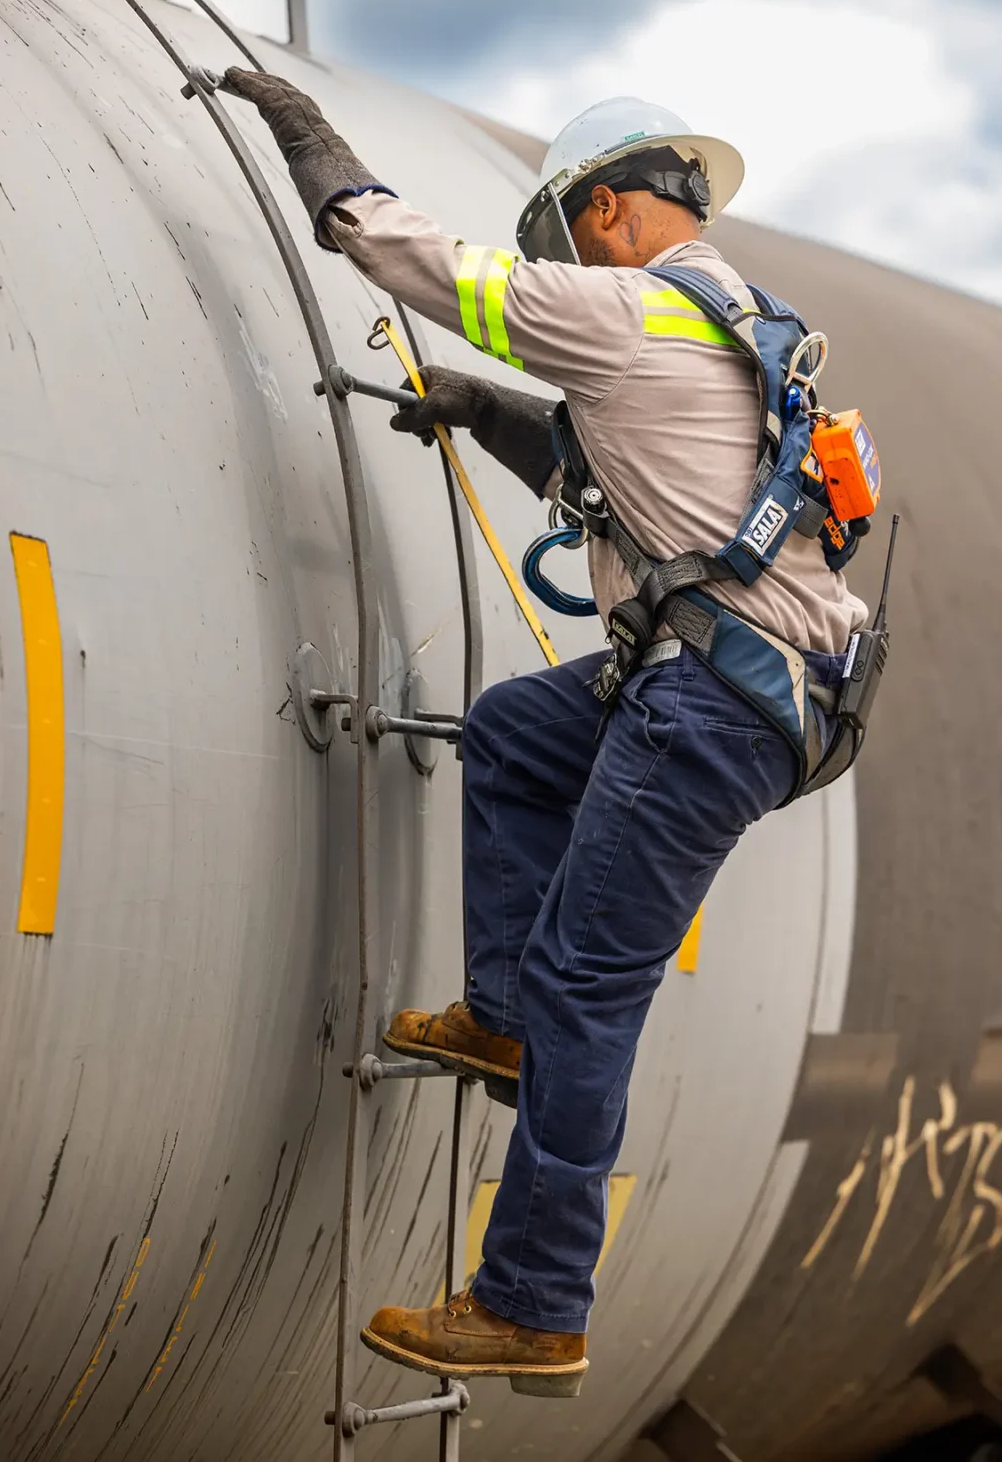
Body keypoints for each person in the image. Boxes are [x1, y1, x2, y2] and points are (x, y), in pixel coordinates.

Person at [221, 70, 869, 1398]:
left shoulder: (627, 306)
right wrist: (491, 412)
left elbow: (409, 257)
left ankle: (530, 1303)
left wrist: (316, 151)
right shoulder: (747, 330)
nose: (559, 269)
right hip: (752, 685)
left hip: (707, 697)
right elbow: (640, 477)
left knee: (593, 987)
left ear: (610, 210)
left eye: (564, 242)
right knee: (517, 733)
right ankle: (504, 1021)